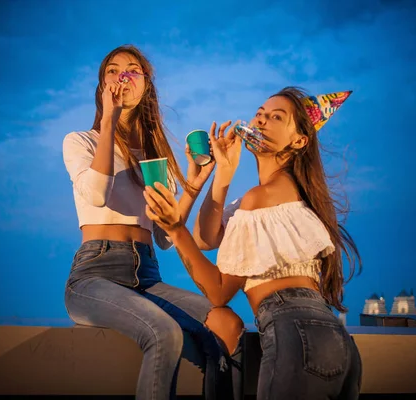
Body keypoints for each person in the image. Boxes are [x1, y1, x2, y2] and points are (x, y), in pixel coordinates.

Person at [143, 86, 363, 399]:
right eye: (260, 114)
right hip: (334, 339)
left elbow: (218, 292)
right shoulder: (283, 194)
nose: (261, 121)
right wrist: (224, 173)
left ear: (300, 140)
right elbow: (207, 238)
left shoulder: (260, 199)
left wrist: (175, 229)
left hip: (294, 334)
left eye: (276, 117)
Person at [62, 44, 244, 400]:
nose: (122, 76)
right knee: (164, 331)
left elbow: (162, 235)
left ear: (146, 85)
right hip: (95, 274)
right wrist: (109, 120)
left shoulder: (153, 158)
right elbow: (97, 194)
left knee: (229, 325)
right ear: (102, 86)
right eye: (112, 71)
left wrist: (194, 182)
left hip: (147, 275)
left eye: (132, 70)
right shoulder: (81, 141)